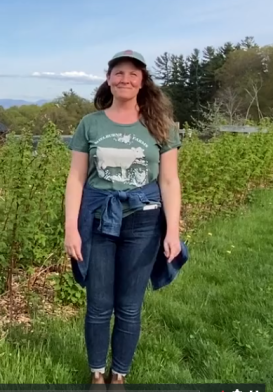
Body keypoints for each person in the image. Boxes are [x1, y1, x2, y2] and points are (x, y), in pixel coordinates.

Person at [63, 50, 186, 385]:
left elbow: (169, 180)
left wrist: (172, 230)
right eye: (119, 73)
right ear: (109, 79)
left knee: (130, 306)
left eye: (133, 74)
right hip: (99, 219)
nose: (125, 79)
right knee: (98, 304)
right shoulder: (91, 123)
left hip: (144, 222)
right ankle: (96, 373)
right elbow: (76, 178)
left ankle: (119, 375)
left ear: (142, 81)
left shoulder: (160, 125)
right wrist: (71, 228)